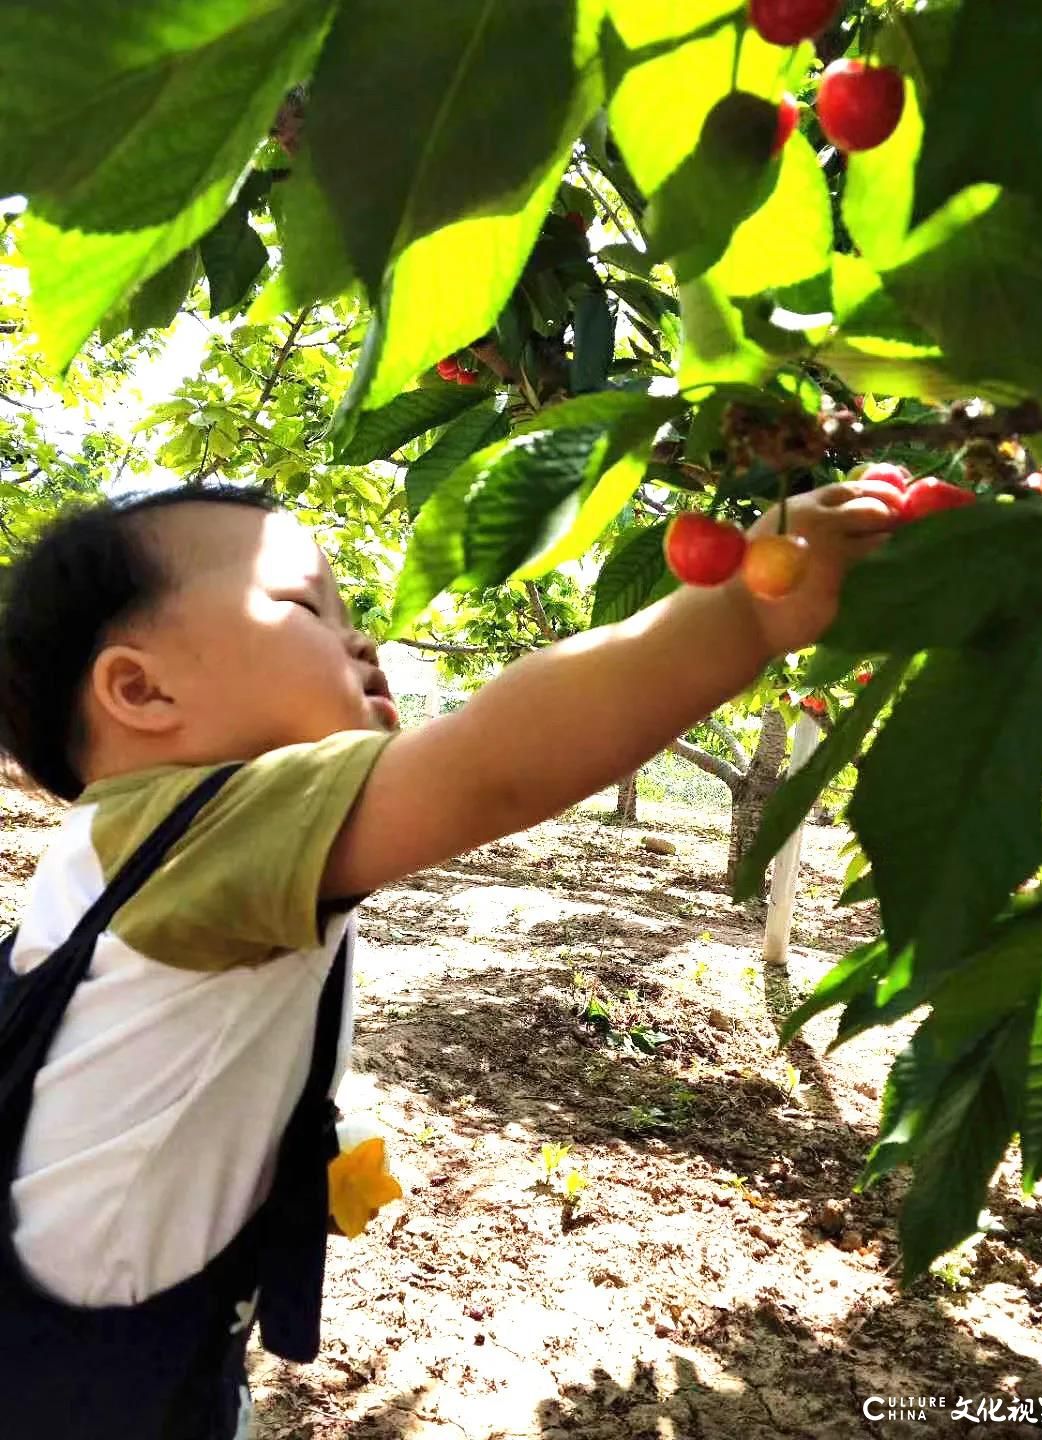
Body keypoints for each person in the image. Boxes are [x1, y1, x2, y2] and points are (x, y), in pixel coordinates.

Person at [0, 476, 897, 1438]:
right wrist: (747, 612)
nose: (362, 640)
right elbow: (496, 765)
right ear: (142, 690)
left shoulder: (115, 859)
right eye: (305, 607)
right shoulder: (202, 825)